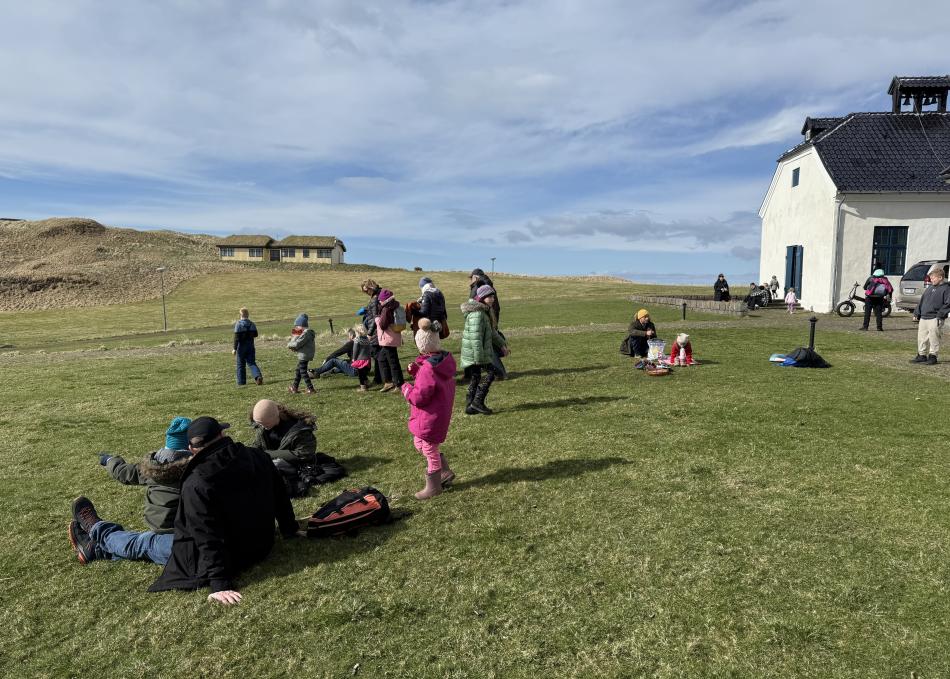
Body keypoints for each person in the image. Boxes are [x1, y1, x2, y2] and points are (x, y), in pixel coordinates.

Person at [68, 417, 298, 605]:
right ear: (222, 435)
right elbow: (279, 493)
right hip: (260, 545)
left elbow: (205, 533)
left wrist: (219, 583)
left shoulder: (197, 481)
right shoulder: (256, 456)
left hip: (228, 558)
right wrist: (290, 529)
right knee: (150, 541)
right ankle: (96, 549)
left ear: (192, 449)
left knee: (144, 542)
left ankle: (98, 530)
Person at [99, 416, 193, 534]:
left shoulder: (152, 467)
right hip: (181, 527)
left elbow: (123, 472)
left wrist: (109, 460)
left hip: (154, 524)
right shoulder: (194, 469)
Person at [401, 318, 457, 499]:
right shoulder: (438, 363)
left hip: (431, 416)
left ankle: (434, 486)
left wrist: (407, 389)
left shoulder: (428, 369)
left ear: (422, 346)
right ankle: (444, 471)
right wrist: (416, 371)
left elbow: (420, 396)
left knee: (429, 448)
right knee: (420, 443)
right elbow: (430, 382)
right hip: (435, 414)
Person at [460, 285, 508, 415]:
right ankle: (477, 402)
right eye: (489, 296)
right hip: (476, 353)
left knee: (476, 376)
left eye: (493, 296)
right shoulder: (478, 314)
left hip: (476, 353)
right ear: (482, 297)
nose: (492, 299)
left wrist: (502, 345)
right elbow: (475, 338)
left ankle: (470, 404)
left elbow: (491, 332)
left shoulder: (483, 312)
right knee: (492, 372)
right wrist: (478, 358)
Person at [249, 399, 317, 465]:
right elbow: (258, 445)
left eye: (266, 423)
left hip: (293, 468)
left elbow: (304, 454)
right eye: (259, 424)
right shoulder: (263, 427)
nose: (262, 426)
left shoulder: (300, 431)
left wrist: (269, 454)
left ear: (275, 416)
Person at [911, 267, 950, 365]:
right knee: (921, 337)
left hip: (935, 317)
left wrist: (940, 314)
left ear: (940, 277)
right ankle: (922, 355)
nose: (931, 280)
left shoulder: (946, 289)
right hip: (924, 317)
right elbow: (922, 300)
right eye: (931, 278)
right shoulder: (930, 288)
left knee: (934, 337)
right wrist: (917, 312)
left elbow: (948, 303)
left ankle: (933, 356)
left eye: (933, 278)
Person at [375, 289, 404, 392]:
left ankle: (398, 384)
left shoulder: (386, 309)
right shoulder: (394, 305)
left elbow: (383, 325)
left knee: (393, 362)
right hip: (393, 337)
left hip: (388, 338)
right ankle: (388, 381)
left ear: (385, 299)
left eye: (380, 299)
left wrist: (377, 320)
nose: (379, 301)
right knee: (381, 358)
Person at [360, 279, 384, 386]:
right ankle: (382, 377)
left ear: (370, 287)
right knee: (379, 355)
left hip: (374, 332)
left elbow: (375, 318)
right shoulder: (379, 295)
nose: (366, 293)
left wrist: (369, 333)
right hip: (377, 330)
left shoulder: (375, 299)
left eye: (366, 290)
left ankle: (378, 379)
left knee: (377, 355)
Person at [233, 307, 263, 386]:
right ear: (248, 315)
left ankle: (241, 382)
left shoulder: (238, 324)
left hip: (241, 347)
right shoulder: (252, 324)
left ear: (241, 315)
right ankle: (258, 376)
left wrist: (234, 348)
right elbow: (256, 334)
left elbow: (236, 338)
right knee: (252, 363)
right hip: (250, 346)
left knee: (240, 365)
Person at [287, 313, 316, 394]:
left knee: (303, 371)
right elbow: (298, 343)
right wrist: (294, 338)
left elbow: (298, 344)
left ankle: (310, 388)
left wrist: (289, 345)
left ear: (301, 325)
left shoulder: (306, 333)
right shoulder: (304, 333)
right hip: (304, 354)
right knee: (298, 370)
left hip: (304, 355)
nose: (296, 328)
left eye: (297, 326)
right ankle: (294, 387)